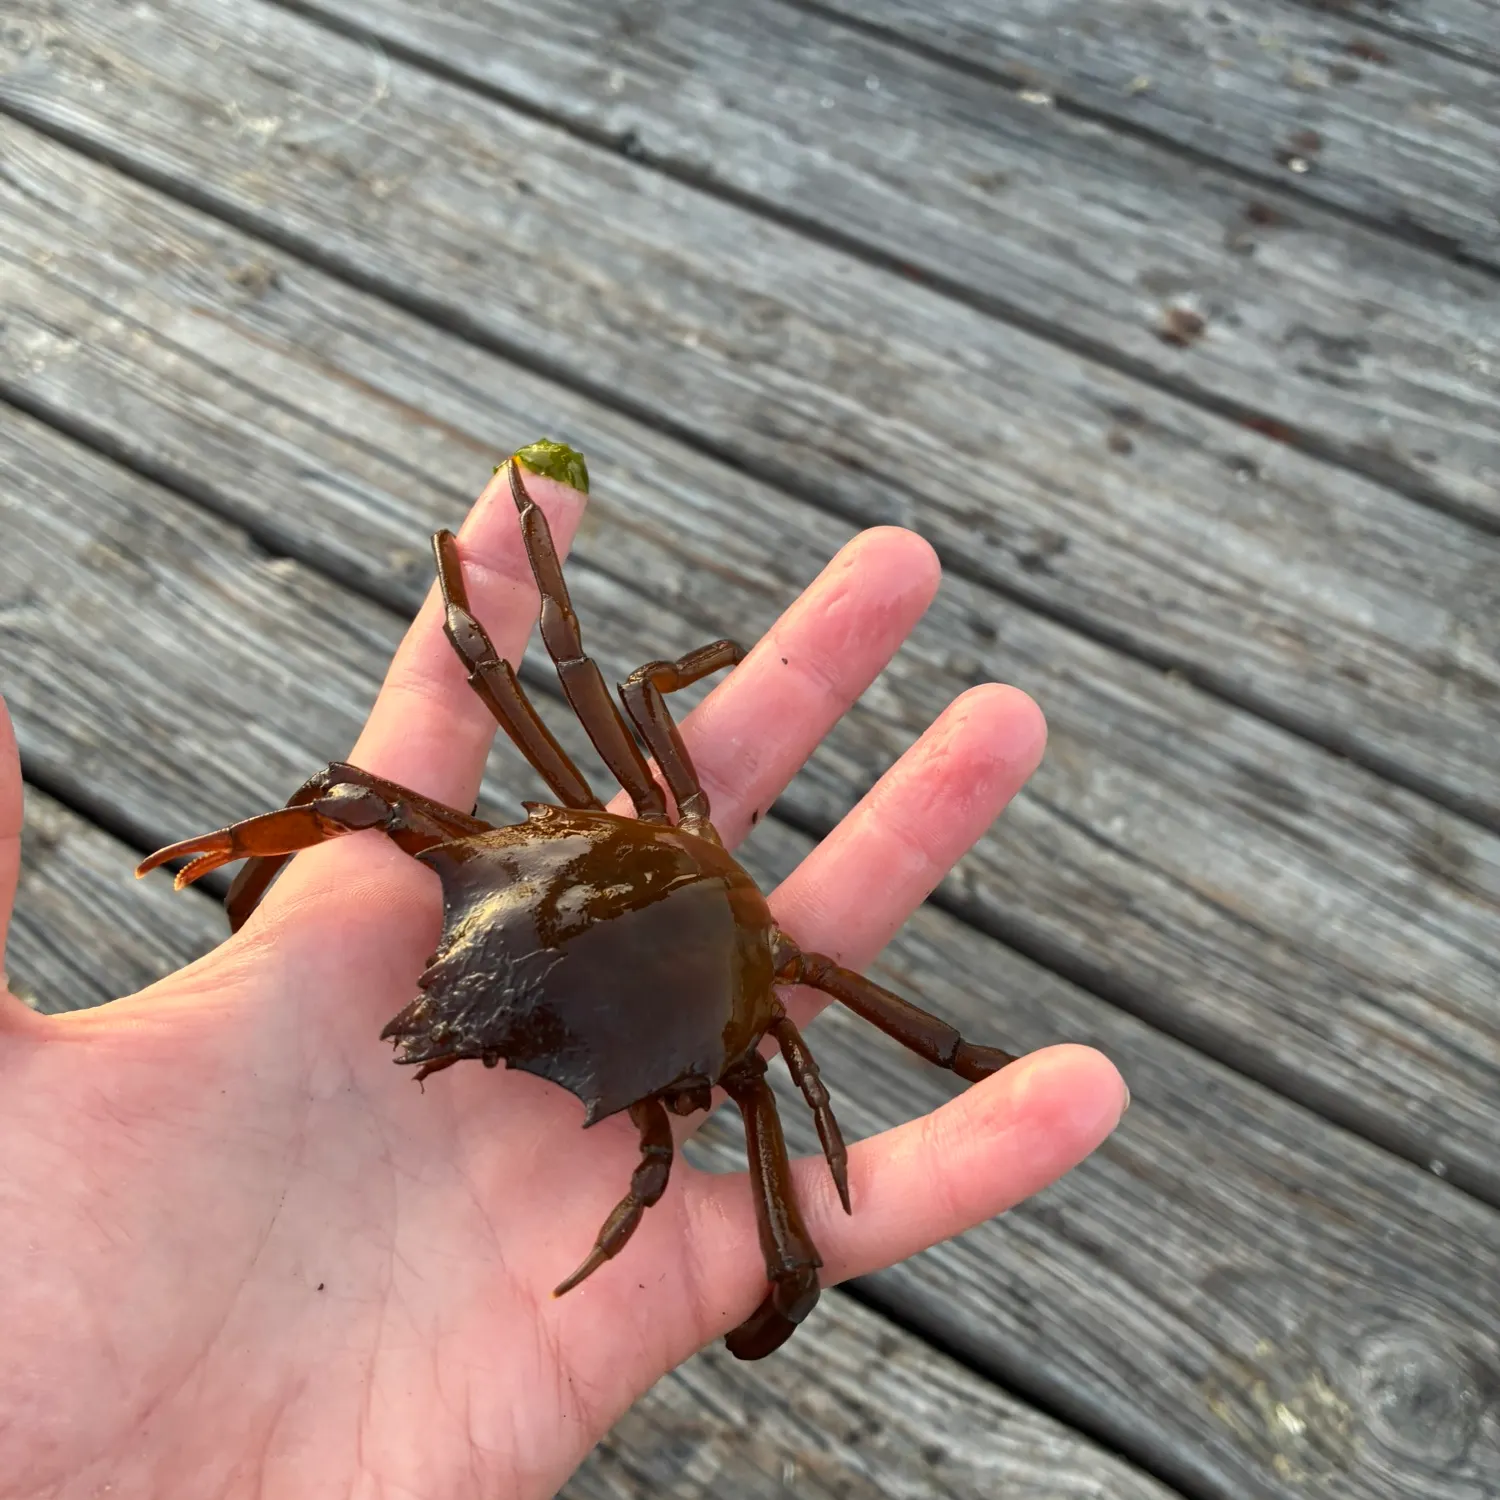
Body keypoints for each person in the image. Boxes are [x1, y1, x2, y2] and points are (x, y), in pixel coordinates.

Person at [0, 456, 1126, 1496]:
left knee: (372, 793)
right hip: (665, 933)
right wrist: (260, 907)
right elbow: (520, 662)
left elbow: (787, 1265)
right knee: (374, 787)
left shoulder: (730, 1011)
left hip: (704, 962)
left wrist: (779, 1284)